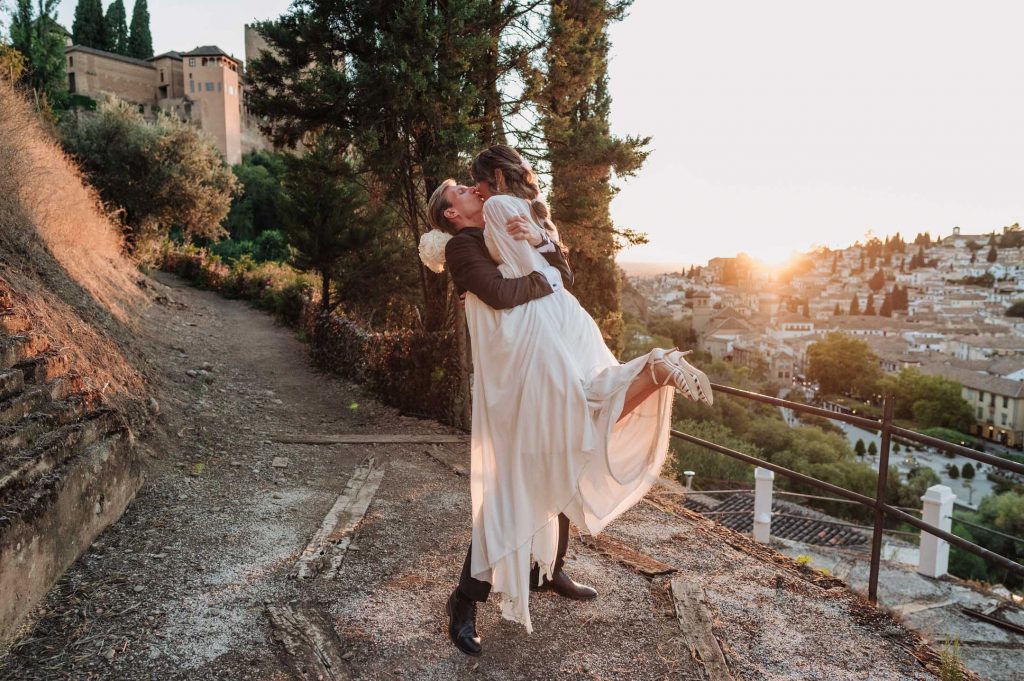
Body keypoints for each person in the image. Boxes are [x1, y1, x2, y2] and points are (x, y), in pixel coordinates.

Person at [422, 145, 711, 655]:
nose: (473, 189)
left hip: (539, 358)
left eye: (473, 184)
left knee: (558, 459)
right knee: (515, 483)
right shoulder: (460, 248)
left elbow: (559, 272)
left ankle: (549, 571)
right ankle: (464, 601)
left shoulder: (496, 228)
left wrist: (544, 244)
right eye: (462, 191)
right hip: (511, 381)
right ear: (451, 212)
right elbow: (498, 293)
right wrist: (544, 278)